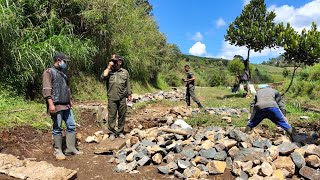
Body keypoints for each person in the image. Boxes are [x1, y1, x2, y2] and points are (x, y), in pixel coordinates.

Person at [42, 52, 83, 160]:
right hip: (56, 105)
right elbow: (47, 89)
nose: (66, 64)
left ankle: (71, 148)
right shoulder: (49, 72)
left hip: (66, 105)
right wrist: (50, 104)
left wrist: (70, 100)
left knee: (71, 126)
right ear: (58, 60)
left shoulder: (63, 73)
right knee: (57, 127)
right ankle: (58, 150)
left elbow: (66, 88)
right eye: (65, 61)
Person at [101, 54, 132, 141]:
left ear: (120, 62)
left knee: (122, 115)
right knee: (112, 115)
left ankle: (120, 131)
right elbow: (102, 77)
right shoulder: (109, 71)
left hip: (122, 97)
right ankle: (112, 132)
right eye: (112, 61)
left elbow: (128, 84)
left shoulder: (125, 72)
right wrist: (108, 66)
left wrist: (129, 94)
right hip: (112, 97)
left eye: (115, 61)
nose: (113, 62)